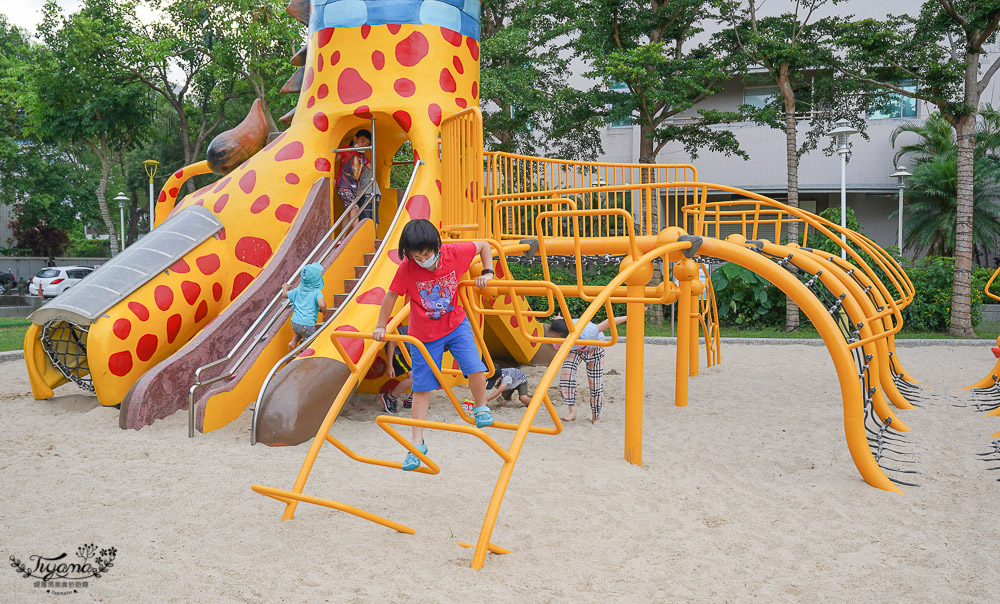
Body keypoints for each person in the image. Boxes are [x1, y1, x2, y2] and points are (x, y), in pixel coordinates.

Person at [373, 219, 495, 471]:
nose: (422, 259)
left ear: (436, 246)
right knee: (421, 388)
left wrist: (487, 272)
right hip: (424, 334)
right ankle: (417, 444)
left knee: (475, 366)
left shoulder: (454, 253)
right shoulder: (408, 268)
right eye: (416, 255)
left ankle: (481, 406)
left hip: (455, 325)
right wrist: (381, 325)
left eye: (426, 254)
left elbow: (484, 245)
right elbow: (391, 295)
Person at [548, 314, 629, 424]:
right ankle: (573, 411)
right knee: (567, 372)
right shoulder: (559, 330)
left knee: (595, 383)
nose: (554, 344)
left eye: (556, 340)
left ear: (567, 336)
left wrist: (629, 316)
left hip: (594, 346)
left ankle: (596, 416)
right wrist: (558, 318)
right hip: (576, 349)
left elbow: (609, 321)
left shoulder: (587, 333)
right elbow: (560, 321)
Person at [281, 263, 327, 351]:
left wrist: (286, 287)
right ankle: (305, 353)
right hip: (308, 324)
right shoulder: (316, 292)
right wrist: (325, 313)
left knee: (299, 332)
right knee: (308, 343)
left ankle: (292, 343)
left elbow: (284, 295)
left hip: (295, 322)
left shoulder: (297, 290)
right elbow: (322, 304)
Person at [336, 129, 373, 231]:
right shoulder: (346, 150)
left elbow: (372, 168)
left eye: (367, 144)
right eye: (362, 141)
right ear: (355, 139)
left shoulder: (363, 157)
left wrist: (372, 150)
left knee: (348, 213)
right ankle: (358, 234)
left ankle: (341, 239)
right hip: (344, 186)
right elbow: (333, 160)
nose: (364, 145)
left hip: (353, 189)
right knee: (354, 208)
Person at [379, 325, 413, 414]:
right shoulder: (412, 331)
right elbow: (392, 343)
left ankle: (412, 400)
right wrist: (390, 365)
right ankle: (390, 397)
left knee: (425, 373)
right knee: (413, 378)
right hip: (398, 353)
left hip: (409, 351)